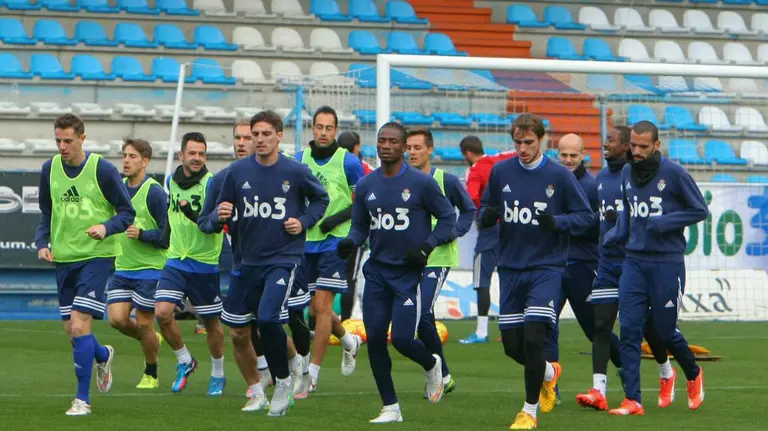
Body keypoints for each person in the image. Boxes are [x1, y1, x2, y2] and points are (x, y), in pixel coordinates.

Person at [478, 113, 593, 429]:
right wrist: (486, 216)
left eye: (528, 142)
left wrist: (558, 222)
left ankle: (529, 412)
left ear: (541, 140)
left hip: (547, 268)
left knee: (533, 340)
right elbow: (487, 207)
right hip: (511, 267)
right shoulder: (501, 172)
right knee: (514, 347)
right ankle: (549, 373)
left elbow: (586, 217)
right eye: (517, 142)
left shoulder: (559, 175)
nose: (522, 148)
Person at [337, 122, 456, 423]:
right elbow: (360, 224)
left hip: (408, 275)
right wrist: (351, 241)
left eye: (392, 141)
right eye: (381, 141)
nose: (386, 145)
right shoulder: (366, 185)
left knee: (402, 339)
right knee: (375, 338)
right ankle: (391, 407)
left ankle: (432, 364)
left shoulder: (422, 183)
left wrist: (427, 247)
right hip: (376, 272)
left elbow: (447, 219)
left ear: (403, 147)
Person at [216, 110, 330, 416]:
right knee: (239, 332)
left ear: (279, 135)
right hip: (246, 262)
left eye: (267, 134)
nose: (260, 139)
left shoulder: (295, 171)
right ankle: (261, 387)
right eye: (256, 134)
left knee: (268, 318)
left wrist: (304, 221)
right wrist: (220, 215)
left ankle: (282, 382)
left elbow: (321, 199)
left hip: (283, 258)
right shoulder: (237, 172)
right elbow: (219, 212)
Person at [604, 121, 707, 416]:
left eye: (643, 147)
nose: (636, 152)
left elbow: (700, 209)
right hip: (634, 261)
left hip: (666, 262)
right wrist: (615, 237)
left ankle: (692, 373)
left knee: (662, 331)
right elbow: (628, 213)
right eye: (633, 146)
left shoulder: (674, 174)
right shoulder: (626, 172)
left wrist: (666, 223)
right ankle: (633, 400)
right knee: (629, 329)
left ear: (657, 146)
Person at [35, 114, 135, 415]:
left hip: (97, 256)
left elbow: (125, 213)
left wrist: (106, 227)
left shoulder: (102, 170)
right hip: (64, 258)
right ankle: (102, 354)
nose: (62, 147)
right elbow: (46, 212)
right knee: (72, 331)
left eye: (68, 140)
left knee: (79, 325)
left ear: (82, 138)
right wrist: (42, 242)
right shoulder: (48, 169)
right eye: (58, 141)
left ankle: (82, 400)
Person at [575, 126, 673, 411]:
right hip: (607, 263)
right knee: (601, 324)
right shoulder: (601, 178)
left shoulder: (638, 175)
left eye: (611, 140)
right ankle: (598, 389)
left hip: (636, 262)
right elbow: (597, 217)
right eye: (605, 139)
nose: (605, 144)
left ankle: (666, 371)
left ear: (628, 147)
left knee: (647, 326)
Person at [542, 133, 617, 405]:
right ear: (557, 154)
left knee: (595, 328)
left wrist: (561, 224)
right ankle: (552, 386)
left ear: (584, 154)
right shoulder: (551, 181)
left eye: (574, 155)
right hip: (552, 266)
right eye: (564, 154)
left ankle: (624, 366)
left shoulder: (593, 185)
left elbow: (598, 226)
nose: (569, 159)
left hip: (583, 266)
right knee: (547, 325)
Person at [155, 132, 226, 396]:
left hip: (204, 263)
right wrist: (165, 238)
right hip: (176, 260)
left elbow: (214, 226)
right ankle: (185, 360)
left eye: (201, 153)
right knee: (162, 313)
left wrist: (191, 213)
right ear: (181, 155)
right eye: (192, 153)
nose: (197, 158)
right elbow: (170, 213)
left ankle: (218, 373)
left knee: (211, 325)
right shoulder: (171, 181)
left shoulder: (212, 183)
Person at [405, 129, 475, 395]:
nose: (411, 152)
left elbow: (469, 209)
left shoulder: (446, 180)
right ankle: (443, 376)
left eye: (417, 147)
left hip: (438, 258)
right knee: (425, 316)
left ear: (430, 150)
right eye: (408, 147)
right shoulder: (403, 180)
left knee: (421, 314)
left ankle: (437, 373)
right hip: (410, 259)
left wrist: (454, 232)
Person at [301, 106, 364, 392]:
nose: (324, 132)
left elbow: (363, 202)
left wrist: (335, 220)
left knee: (323, 307)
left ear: (335, 130)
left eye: (329, 128)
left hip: (335, 243)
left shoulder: (349, 163)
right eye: (319, 127)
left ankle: (311, 374)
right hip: (306, 242)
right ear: (312, 129)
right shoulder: (301, 159)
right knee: (315, 310)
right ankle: (349, 341)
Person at [106, 138, 167, 389]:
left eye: (132, 156)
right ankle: (153, 337)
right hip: (123, 267)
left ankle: (151, 373)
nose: (126, 160)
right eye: (124, 155)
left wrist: (143, 234)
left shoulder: (154, 192)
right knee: (117, 320)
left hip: (150, 270)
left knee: (143, 323)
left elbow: (167, 235)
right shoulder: (117, 189)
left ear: (145, 161)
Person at [459, 136, 515, 344]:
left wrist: (478, 216)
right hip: (512, 226)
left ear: (467, 153)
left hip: (490, 229)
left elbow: (471, 198)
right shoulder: (498, 160)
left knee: (481, 278)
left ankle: (481, 332)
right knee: (509, 276)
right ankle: (511, 328)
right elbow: (514, 153)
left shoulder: (474, 170)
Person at [337, 130, 372, 322]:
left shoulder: (331, 165)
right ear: (357, 147)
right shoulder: (365, 168)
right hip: (354, 230)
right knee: (349, 277)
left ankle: (315, 325)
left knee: (323, 277)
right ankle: (345, 323)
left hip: (328, 230)